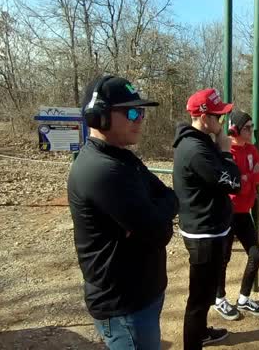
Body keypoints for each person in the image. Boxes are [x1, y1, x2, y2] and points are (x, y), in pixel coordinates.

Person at [68, 75, 178, 349]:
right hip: (125, 309)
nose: (140, 118)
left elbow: (169, 195)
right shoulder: (102, 169)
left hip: (142, 297)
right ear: (99, 116)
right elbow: (158, 232)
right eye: (131, 111)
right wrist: (157, 219)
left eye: (141, 111)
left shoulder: (122, 157)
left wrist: (152, 215)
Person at [172, 88, 242, 349]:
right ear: (204, 117)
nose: (221, 121)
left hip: (210, 227)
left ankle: (200, 331)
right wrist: (226, 152)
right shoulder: (195, 149)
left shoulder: (201, 141)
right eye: (218, 116)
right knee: (199, 298)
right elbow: (233, 183)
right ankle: (194, 340)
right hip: (204, 232)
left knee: (205, 292)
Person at [213, 109, 259, 321]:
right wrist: (247, 179)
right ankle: (219, 300)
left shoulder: (251, 149)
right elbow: (234, 187)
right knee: (223, 258)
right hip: (227, 213)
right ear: (235, 129)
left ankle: (244, 299)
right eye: (247, 128)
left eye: (252, 127)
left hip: (244, 213)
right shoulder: (226, 151)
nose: (251, 131)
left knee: (256, 255)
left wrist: (249, 177)